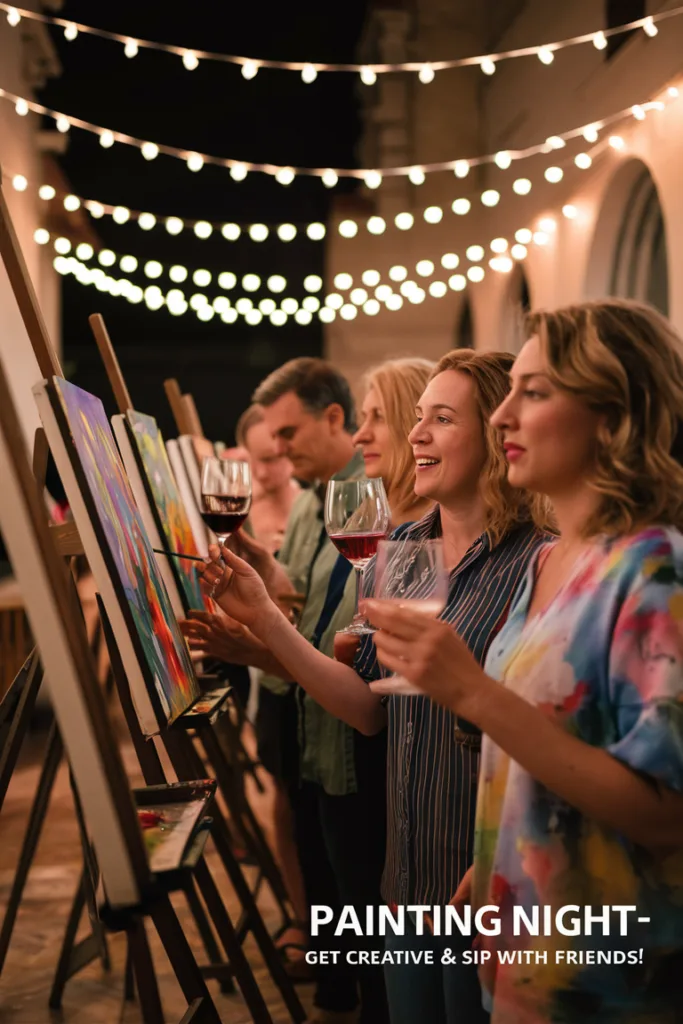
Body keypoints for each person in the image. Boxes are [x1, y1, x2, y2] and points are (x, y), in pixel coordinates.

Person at [198, 349, 551, 1024]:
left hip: (485, 876)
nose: (415, 435)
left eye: (440, 419)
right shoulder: (405, 550)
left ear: (497, 434)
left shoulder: (536, 559)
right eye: (415, 418)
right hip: (406, 872)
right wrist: (267, 619)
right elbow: (366, 709)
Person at [363, 299, 683, 1023]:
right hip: (521, 957)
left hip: (606, 985)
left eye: (532, 392)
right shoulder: (546, 562)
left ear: (613, 416)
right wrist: (498, 856)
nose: (502, 415)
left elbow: (668, 815)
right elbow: (552, 747)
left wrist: (471, 693)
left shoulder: (654, 570)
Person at [235, 404, 301, 553]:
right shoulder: (241, 515)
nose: (261, 473)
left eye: (270, 459)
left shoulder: (313, 508)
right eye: (252, 458)